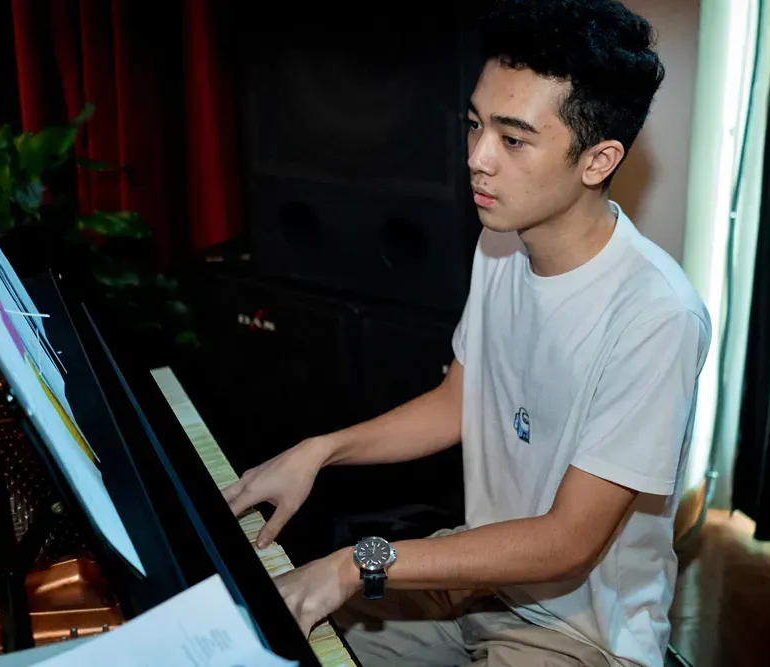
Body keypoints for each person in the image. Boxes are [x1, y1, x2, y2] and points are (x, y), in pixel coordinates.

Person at [223, 1, 710, 665]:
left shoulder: (656, 314)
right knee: (270, 635)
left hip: (576, 630)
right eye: (475, 124)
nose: (477, 157)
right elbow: (461, 399)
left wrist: (353, 564)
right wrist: (320, 449)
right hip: (478, 576)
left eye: (512, 139)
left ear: (597, 160)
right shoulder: (500, 243)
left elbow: (568, 539)